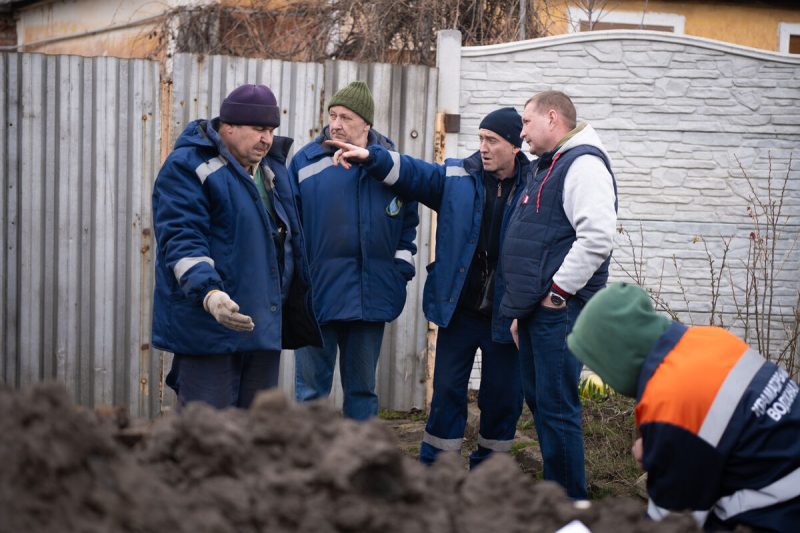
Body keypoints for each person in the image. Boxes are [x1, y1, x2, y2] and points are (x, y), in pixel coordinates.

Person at [327, 107, 529, 468]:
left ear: (515, 146)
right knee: (447, 391)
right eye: (481, 138)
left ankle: (491, 472)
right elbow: (412, 173)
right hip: (458, 310)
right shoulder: (457, 176)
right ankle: (437, 468)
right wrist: (371, 157)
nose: (483, 147)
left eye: (493, 140)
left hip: (507, 314)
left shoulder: (536, 185)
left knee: (502, 397)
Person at [567, 282, 800, 531]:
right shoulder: (710, 338)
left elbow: (671, 524)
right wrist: (659, 446)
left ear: (616, 358)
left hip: (781, 512)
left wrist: (663, 451)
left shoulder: (671, 404)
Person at [152, 83, 321, 410]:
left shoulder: (272, 170)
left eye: (271, 131)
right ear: (228, 126)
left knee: (256, 430)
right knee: (207, 430)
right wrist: (210, 294)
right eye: (258, 129)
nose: (266, 139)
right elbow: (182, 237)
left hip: (260, 329)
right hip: (209, 330)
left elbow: (288, 239)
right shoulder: (188, 166)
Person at [499, 91, 618, 498]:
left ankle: (569, 508)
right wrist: (523, 311)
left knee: (556, 407)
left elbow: (597, 238)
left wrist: (557, 295)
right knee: (542, 403)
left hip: (560, 311)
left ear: (552, 118)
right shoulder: (550, 165)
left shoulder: (583, 165)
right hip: (538, 312)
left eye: (526, 122)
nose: (521, 133)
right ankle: (557, 498)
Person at [290, 81, 419, 421]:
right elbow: (290, 228)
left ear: (366, 123)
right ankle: (308, 454)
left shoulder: (390, 166)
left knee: (362, 392)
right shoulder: (305, 163)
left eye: (345, 117)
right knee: (310, 395)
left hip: (370, 296)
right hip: (317, 298)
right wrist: (298, 281)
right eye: (332, 115)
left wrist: (399, 271)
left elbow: (408, 225)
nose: (336, 124)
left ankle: (360, 453)